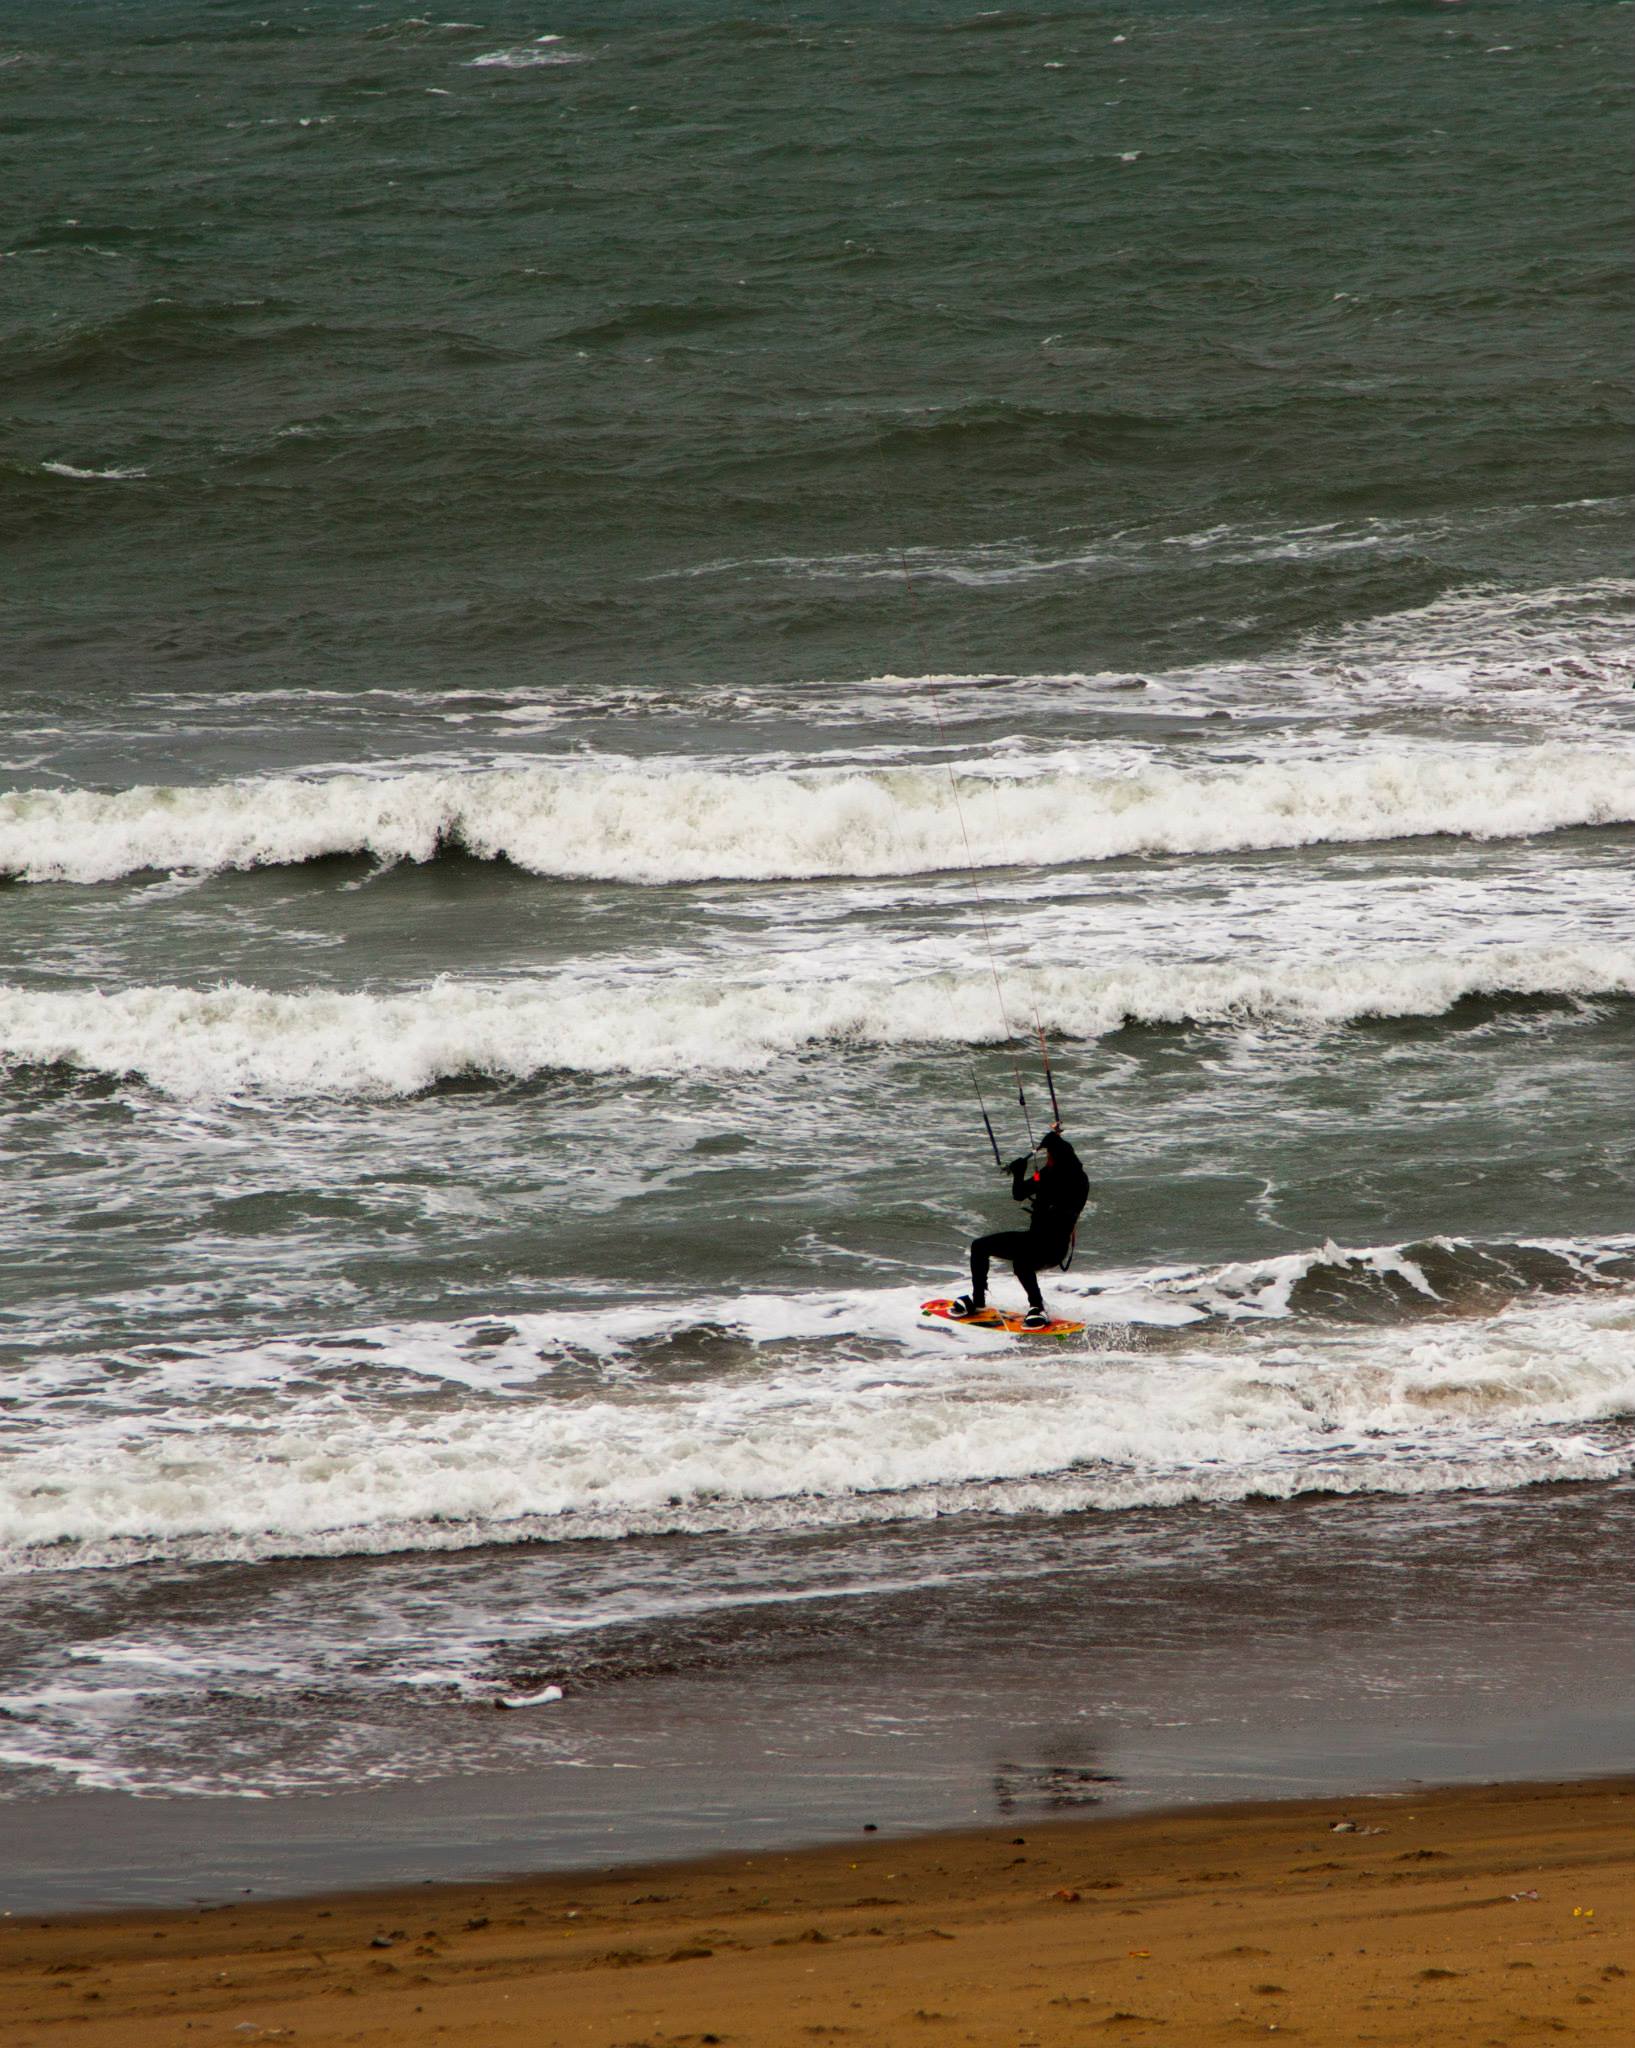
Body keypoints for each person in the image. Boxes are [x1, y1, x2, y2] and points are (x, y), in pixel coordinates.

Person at [949, 1126, 1089, 1329]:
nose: (1046, 1161)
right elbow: (1020, 1193)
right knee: (979, 1247)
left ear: (1058, 1159)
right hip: (1034, 1240)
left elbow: (1039, 1188)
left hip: (1053, 1248)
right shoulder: (1055, 1172)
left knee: (1022, 1262)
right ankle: (978, 1301)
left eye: (1049, 1157)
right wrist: (1020, 1173)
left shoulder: (1070, 1179)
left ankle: (1037, 1307)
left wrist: (1024, 1172)